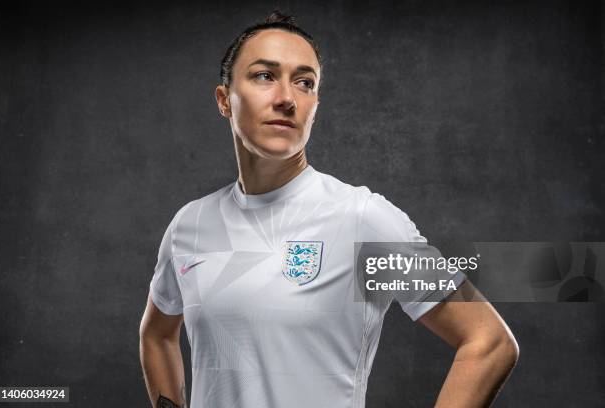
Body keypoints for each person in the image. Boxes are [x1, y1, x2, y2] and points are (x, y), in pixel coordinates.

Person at [139, 10, 519, 408]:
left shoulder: (361, 220)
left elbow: (488, 342)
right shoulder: (191, 225)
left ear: (314, 106)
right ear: (224, 100)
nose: (286, 98)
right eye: (265, 76)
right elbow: (157, 334)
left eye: (304, 83)